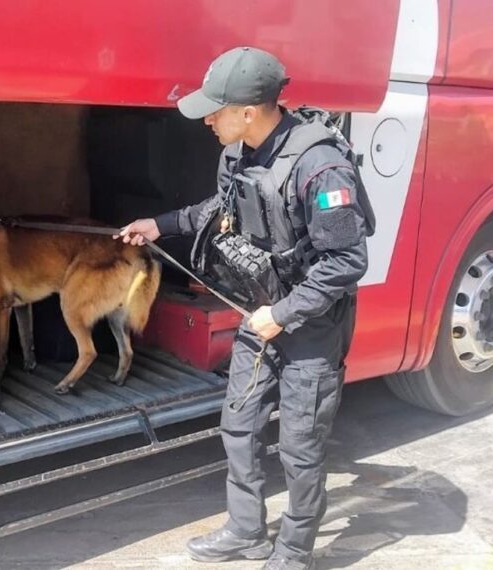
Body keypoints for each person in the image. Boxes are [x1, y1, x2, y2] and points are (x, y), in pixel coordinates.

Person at [117, 47, 373, 570]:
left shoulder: (320, 166)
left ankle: (295, 553)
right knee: (239, 425)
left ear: (250, 111)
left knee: (300, 448)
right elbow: (222, 210)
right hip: (260, 312)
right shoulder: (236, 153)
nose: (207, 119)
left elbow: (347, 261)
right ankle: (246, 531)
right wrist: (159, 224)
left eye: (216, 109)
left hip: (311, 325)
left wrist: (282, 315)